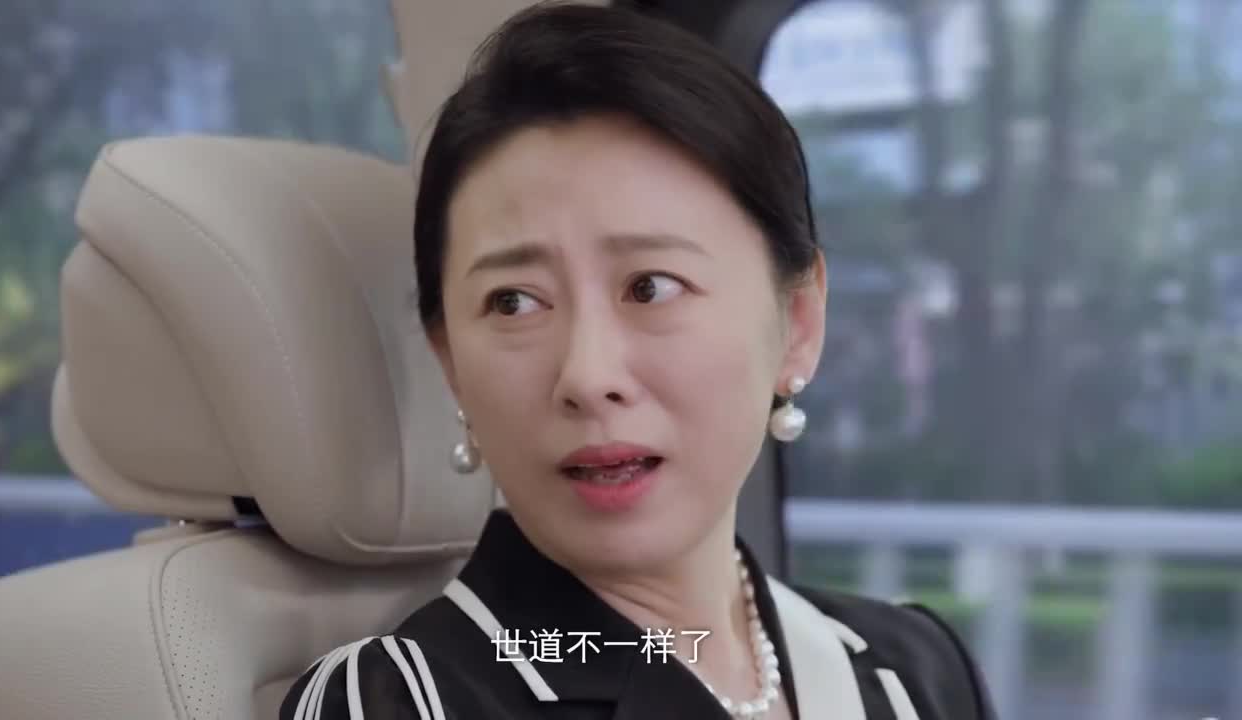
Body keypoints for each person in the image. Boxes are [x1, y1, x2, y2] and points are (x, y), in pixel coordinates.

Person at [282, 3, 997, 719]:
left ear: (798, 322)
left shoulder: (912, 675)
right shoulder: (399, 700)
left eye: (651, 287)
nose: (589, 377)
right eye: (514, 302)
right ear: (449, 361)